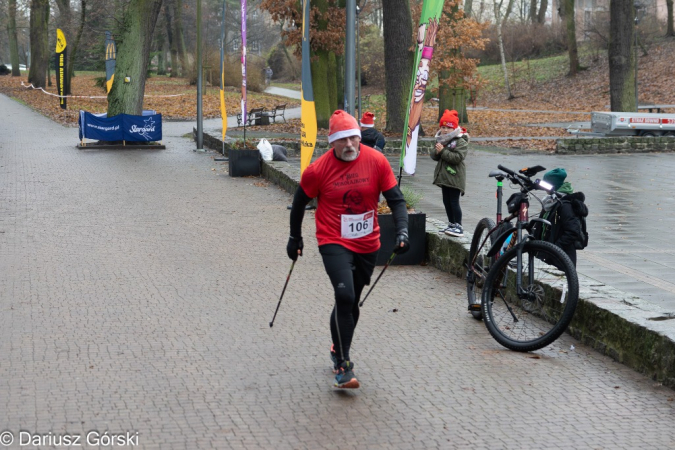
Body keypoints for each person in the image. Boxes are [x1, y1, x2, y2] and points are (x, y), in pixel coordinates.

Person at [287, 110, 410, 389]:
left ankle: (336, 347)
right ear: (331, 143)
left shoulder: (376, 161)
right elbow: (298, 203)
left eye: (354, 137)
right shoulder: (318, 170)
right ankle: (343, 363)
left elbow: (397, 200)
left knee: (351, 302)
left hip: (368, 243)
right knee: (344, 294)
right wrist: (295, 238)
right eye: (342, 140)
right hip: (333, 239)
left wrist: (402, 230)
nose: (350, 144)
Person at [535, 168, 588, 267]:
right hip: (550, 254)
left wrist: (555, 248)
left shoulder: (565, 206)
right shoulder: (551, 202)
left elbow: (573, 232)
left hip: (562, 258)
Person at [430, 109, 468, 237]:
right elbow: (434, 156)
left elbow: (457, 158)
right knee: (446, 201)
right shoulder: (441, 140)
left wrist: (442, 152)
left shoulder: (460, 141)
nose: (445, 130)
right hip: (445, 177)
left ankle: (458, 225)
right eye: (443, 127)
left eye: (448, 128)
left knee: (453, 201)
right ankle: (451, 223)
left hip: (455, 177)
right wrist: (436, 151)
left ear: (454, 129)